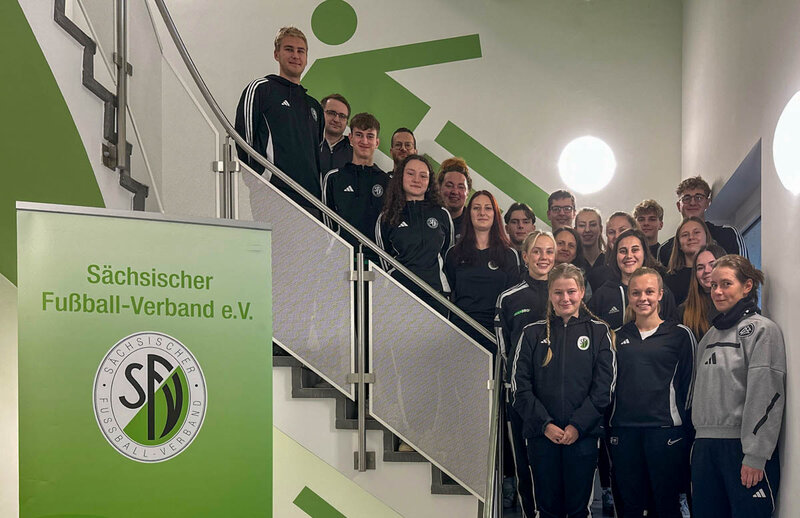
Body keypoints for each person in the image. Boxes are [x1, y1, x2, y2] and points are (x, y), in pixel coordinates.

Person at [511, 263, 616, 518]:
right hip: (541, 437)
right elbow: (519, 387)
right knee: (546, 509)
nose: (565, 298)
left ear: (582, 292)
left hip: (582, 436)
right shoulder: (531, 333)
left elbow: (604, 389)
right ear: (549, 294)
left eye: (571, 291)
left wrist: (577, 426)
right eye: (558, 292)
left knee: (578, 510)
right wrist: (545, 424)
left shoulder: (599, 332)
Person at [690, 255, 786, 518]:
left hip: (741, 450)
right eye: (713, 285)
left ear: (747, 286)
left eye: (726, 284)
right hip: (705, 450)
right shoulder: (708, 337)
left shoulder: (763, 331)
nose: (717, 292)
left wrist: (755, 454)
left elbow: (766, 395)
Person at [609, 267, 696, 518]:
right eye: (636, 293)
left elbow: (690, 387)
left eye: (649, 292)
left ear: (660, 294)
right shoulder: (615, 337)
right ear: (629, 296)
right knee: (631, 507)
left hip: (665, 432)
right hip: (624, 432)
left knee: (666, 506)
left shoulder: (680, 334)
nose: (643, 298)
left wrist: (686, 431)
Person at [495, 230, 556, 518]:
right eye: (537, 251)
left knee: (557, 462)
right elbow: (504, 348)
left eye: (549, 251)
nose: (543, 257)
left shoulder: (565, 293)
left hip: (559, 392)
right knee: (525, 463)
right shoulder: (509, 298)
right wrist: (519, 384)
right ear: (525, 256)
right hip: (521, 395)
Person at [235, 26, 324, 210]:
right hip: (273, 196)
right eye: (289, 49)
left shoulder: (314, 106)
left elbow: (318, 155)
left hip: (311, 202)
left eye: (301, 51)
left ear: (306, 57)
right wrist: (260, 181)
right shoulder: (261, 90)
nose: (295, 56)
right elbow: (244, 140)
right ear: (277, 54)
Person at [444, 190, 519, 352]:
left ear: (495, 214)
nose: (482, 213)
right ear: (469, 213)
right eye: (476, 208)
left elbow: (512, 300)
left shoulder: (509, 255)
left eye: (488, 208)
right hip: (460, 332)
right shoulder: (454, 253)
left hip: (495, 334)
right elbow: (449, 293)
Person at [375, 154, 453, 309]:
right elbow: (383, 258)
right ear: (400, 177)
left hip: (436, 295)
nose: (417, 180)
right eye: (411, 174)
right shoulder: (387, 217)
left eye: (423, 176)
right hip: (399, 295)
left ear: (429, 182)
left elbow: (448, 253)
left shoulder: (442, 214)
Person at [321, 112, 387, 252]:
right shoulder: (333, 178)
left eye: (370, 136)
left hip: (377, 260)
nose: (364, 141)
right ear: (350, 138)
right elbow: (327, 225)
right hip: (342, 257)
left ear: (377, 142)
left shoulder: (388, 182)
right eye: (359, 135)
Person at [589, 229, 677, 331]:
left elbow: (673, 329)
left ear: (644, 253)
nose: (629, 256)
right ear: (616, 256)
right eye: (623, 251)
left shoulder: (661, 292)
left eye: (635, 250)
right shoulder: (603, 294)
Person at [658, 176, 748, 265]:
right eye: (686, 198)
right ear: (678, 206)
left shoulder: (728, 235)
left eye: (699, 197)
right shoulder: (665, 249)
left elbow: (744, 270)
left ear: (707, 203)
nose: (692, 203)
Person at [678, 244, 727, 340]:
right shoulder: (683, 312)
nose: (706, 271)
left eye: (712, 265)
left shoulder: (736, 304)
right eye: (700, 268)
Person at [664, 216, 713, 306]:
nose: (691, 237)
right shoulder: (669, 280)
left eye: (696, 232)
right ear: (679, 244)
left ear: (707, 237)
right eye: (685, 235)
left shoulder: (721, 270)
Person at [437, 158, 472, 242]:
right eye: (449, 185)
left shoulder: (474, 225)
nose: (455, 192)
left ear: (467, 193)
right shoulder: (427, 216)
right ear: (439, 188)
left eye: (461, 187)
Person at [319, 93, 353, 173]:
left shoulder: (354, 153)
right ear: (320, 113)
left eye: (342, 116)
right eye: (331, 113)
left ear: (347, 122)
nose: (336, 120)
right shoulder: (306, 142)